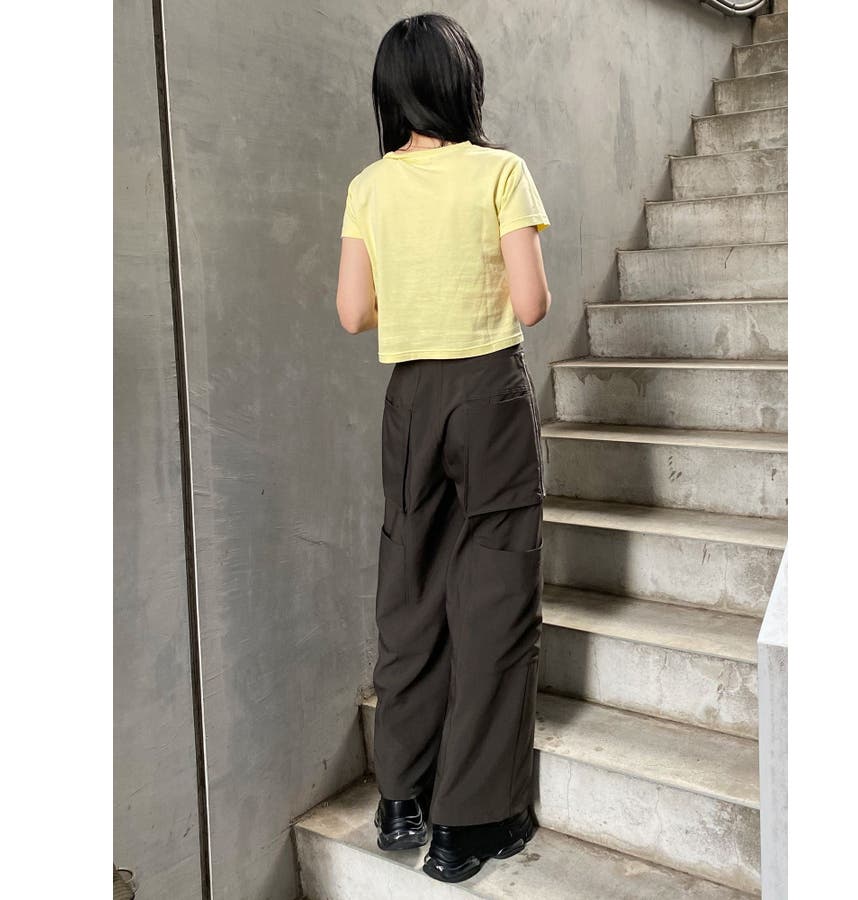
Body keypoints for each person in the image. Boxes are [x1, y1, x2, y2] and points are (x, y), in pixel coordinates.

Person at [335, 12, 552, 885]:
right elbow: (531, 304)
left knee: (412, 597)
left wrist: (416, 292)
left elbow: (353, 312)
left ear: (390, 94)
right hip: (489, 393)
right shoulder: (501, 172)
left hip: (411, 400)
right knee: (494, 602)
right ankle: (470, 824)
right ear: (464, 85)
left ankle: (401, 800)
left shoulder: (368, 186)